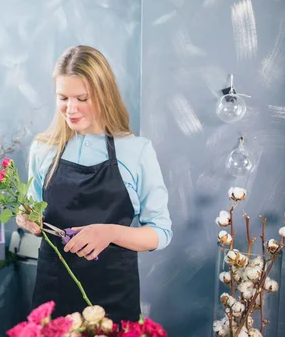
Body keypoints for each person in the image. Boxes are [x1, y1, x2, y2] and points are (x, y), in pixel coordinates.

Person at [16, 45, 172, 323]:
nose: (71, 108)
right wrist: (27, 220)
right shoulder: (43, 149)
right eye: (62, 97)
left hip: (113, 297)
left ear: (104, 94)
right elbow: (32, 212)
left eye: (82, 98)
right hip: (53, 292)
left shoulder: (136, 151)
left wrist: (109, 232)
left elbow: (160, 233)